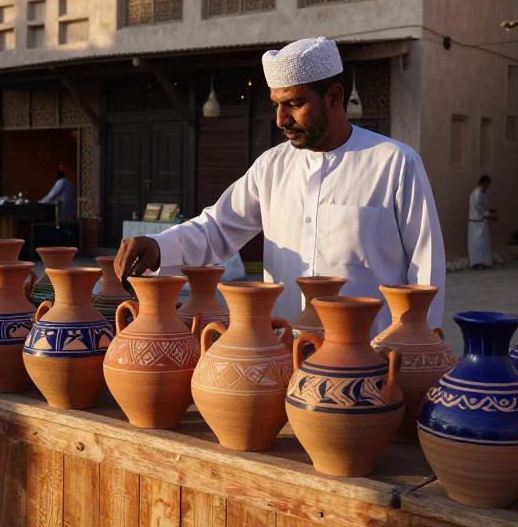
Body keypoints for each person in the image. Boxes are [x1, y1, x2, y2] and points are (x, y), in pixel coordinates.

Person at [115, 37, 445, 333]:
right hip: (285, 354)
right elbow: (216, 229)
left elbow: (426, 266)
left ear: (333, 97)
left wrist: (419, 351)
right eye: (276, 105)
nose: (281, 120)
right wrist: (159, 246)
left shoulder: (394, 162)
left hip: (371, 362)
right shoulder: (272, 166)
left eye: (294, 104)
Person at [468, 175, 497, 270]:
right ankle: (477, 263)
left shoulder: (482, 193)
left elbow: (483, 207)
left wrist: (489, 211)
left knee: (483, 243)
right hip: (476, 223)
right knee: (477, 244)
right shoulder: (477, 194)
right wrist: (490, 215)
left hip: (480, 222)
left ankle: (483, 262)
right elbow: (479, 208)